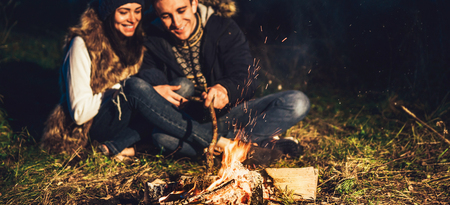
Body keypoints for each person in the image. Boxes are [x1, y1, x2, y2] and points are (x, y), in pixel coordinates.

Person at [135, 0, 311, 164]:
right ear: (158, 13)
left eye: (181, 10)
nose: (176, 21)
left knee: (297, 102)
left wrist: (226, 89)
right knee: (162, 138)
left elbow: (246, 74)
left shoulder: (222, 27)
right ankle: (251, 146)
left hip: (230, 115)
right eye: (166, 16)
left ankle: (222, 145)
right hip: (186, 122)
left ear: (194, 3)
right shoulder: (152, 38)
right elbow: (148, 73)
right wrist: (155, 89)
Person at [41, 0, 146, 159]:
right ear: (108, 13)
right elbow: (79, 113)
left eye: (137, 11)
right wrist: (123, 90)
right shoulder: (83, 44)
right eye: (124, 12)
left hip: (124, 118)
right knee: (137, 89)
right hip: (87, 129)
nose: (133, 19)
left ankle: (125, 147)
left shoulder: (136, 42)